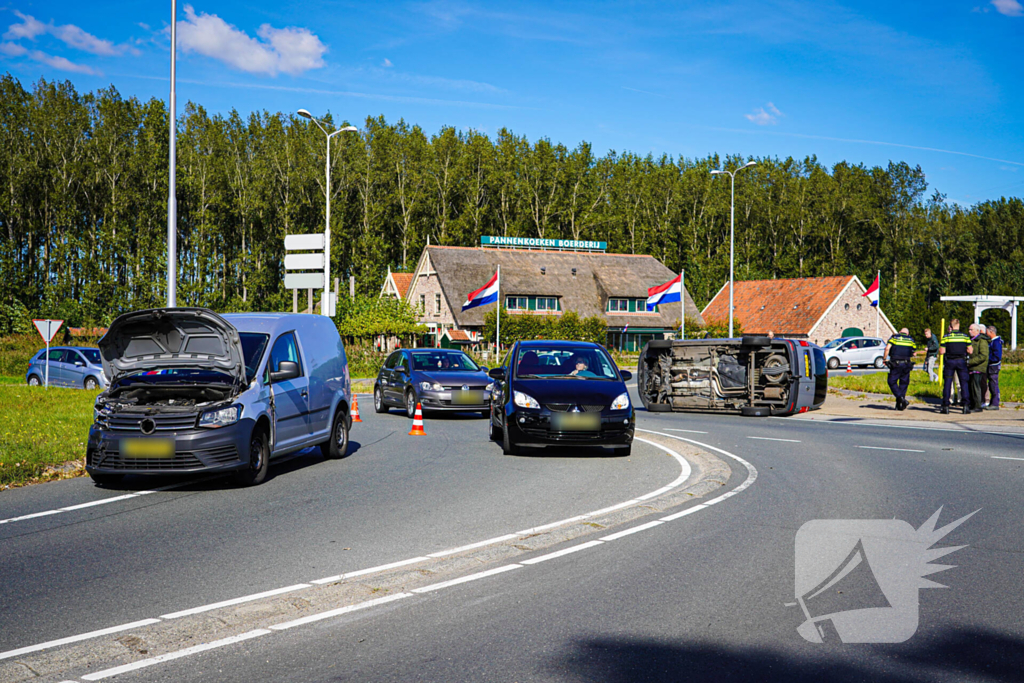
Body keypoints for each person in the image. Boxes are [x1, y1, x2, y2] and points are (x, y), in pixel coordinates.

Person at [939, 319, 971, 415]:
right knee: (963, 383)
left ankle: (946, 405)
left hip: (950, 361)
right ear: (959, 325)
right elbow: (970, 350)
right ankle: (965, 406)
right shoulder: (965, 337)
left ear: (951, 326)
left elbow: (942, 351)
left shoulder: (946, 337)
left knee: (948, 383)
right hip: (961, 361)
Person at [883, 328, 916, 411]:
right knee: (903, 384)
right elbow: (914, 352)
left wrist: (884, 359)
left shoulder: (894, 338)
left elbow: (887, 348)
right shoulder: (911, 339)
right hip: (906, 364)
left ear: (900, 332)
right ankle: (900, 405)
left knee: (891, 381)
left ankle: (901, 398)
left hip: (895, 363)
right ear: (907, 333)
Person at [967, 323, 989, 413]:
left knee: (976, 387)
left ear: (977, 331)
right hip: (971, 368)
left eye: (971, 330)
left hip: (978, 367)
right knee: (971, 387)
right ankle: (972, 404)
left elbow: (983, 355)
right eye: (969, 330)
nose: (969, 331)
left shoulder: (982, 341)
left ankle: (978, 405)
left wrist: (970, 362)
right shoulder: (971, 340)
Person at [985, 325, 1002, 410]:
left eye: (987, 331)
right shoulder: (993, 342)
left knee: (993, 384)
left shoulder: (996, 342)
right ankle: (993, 402)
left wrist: (988, 359)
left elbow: (997, 356)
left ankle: (995, 403)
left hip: (993, 366)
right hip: (991, 366)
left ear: (991, 332)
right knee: (991, 384)